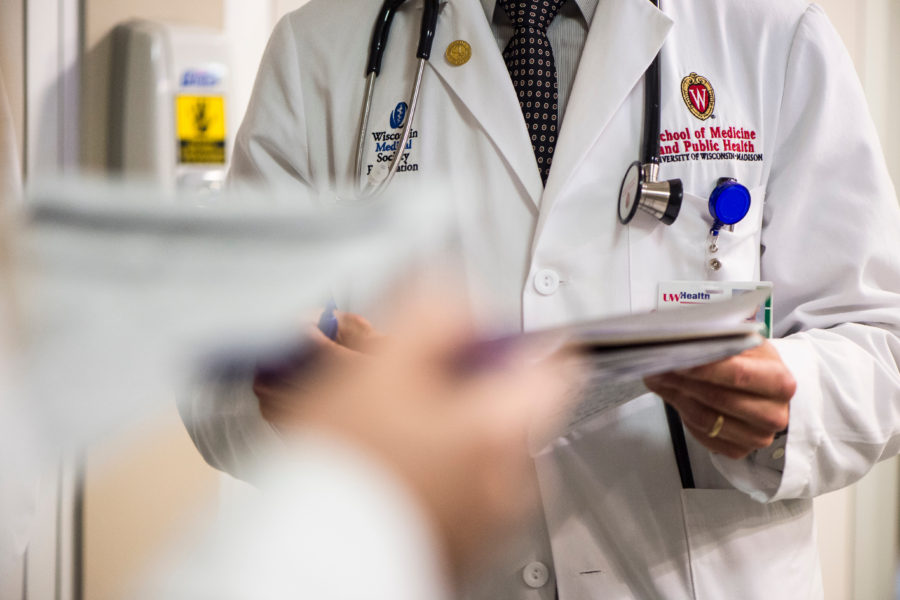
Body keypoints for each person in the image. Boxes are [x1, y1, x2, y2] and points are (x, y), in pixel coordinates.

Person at [181, 0, 900, 597]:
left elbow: (879, 336)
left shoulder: (772, 28)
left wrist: (788, 405)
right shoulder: (321, 50)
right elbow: (215, 375)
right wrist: (289, 393)